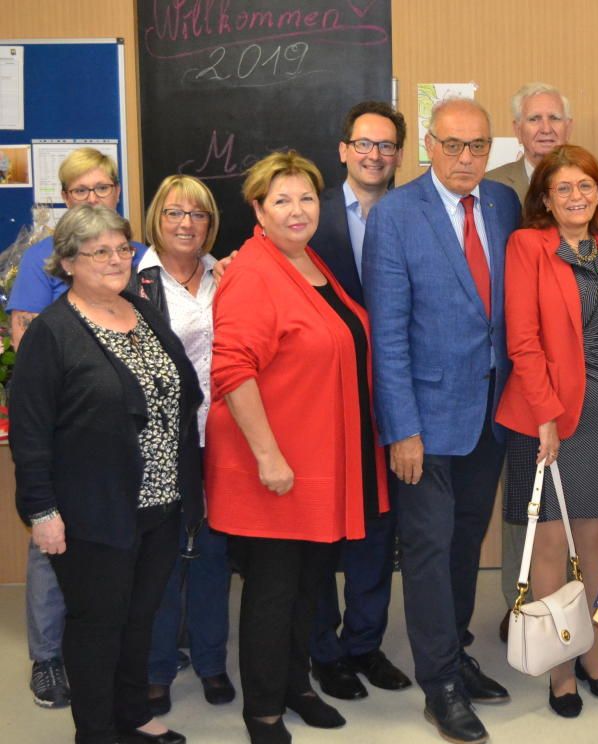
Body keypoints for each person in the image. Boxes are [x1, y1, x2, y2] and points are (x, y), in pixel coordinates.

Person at [205, 151, 388, 744]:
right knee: (272, 594)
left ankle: (296, 686)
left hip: (316, 463)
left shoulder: (308, 261)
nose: (297, 209)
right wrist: (268, 456)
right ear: (257, 208)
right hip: (274, 467)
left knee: (308, 588)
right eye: (281, 199)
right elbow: (232, 370)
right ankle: (261, 711)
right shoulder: (253, 271)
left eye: (306, 198)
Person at [10, 205, 203, 744]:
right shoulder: (53, 333)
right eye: (100, 251)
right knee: (98, 626)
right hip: (92, 512)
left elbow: (184, 391)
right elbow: (30, 432)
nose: (117, 260)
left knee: (140, 618)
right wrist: (43, 512)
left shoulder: (142, 311)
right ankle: (96, 732)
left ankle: (131, 716)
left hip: (160, 504)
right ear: (68, 262)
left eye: (123, 248)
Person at [362, 97, 519, 744]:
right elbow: (388, 335)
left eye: (477, 146)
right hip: (422, 421)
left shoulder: (504, 205)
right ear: (428, 144)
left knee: (464, 543)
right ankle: (441, 687)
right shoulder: (397, 215)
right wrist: (401, 428)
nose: (465, 158)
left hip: (489, 412)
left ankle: (455, 652)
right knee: (426, 552)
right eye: (452, 145)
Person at [497, 144, 598, 717]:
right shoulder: (527, 246)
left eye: (585, 186)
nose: (576, 197)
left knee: (595, 538)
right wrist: (544, 417)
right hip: (547, 410)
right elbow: (523, 339)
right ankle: (558, 666)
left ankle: (589, 651)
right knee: (551, 544)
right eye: (563, 188)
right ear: (545, 198)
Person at [6, 146, 146, 710]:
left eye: (102, 187)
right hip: (71, 443)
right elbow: (31, 361)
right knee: (52, 549)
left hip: (126, 447)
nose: (93, 198)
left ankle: (117, 655)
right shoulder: (48, 259)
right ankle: (47, 658)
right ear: (64, 199)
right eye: (80, 190)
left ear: (117, 191)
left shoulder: (132, 254)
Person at [307, 101, 414, 701]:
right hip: (323, 401)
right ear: (343, 149)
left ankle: (363, 646)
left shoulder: (412, 213)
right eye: (364, 144)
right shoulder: (305, 214)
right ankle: (324, 651)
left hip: (391, 395)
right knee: (325, 530)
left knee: (379, 528)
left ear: (399, 155)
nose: (375, 155)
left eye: (387, 145)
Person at [132, 176, 234, 715]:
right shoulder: (134, 281)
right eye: (174, 213)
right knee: (163, 559)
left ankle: (213, 661)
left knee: (214, 555)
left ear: (209, 222)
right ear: (157, 219)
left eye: (197, 214)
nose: (185, 224)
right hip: (160, 444)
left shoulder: (227, 275)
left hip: (222, 438)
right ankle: (156, 668)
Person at [487, 83, 574, 201]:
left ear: (568, 128)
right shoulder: (489, 185)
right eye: (534, 119)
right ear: (518, 130)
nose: (546, 129)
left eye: (554, 118)